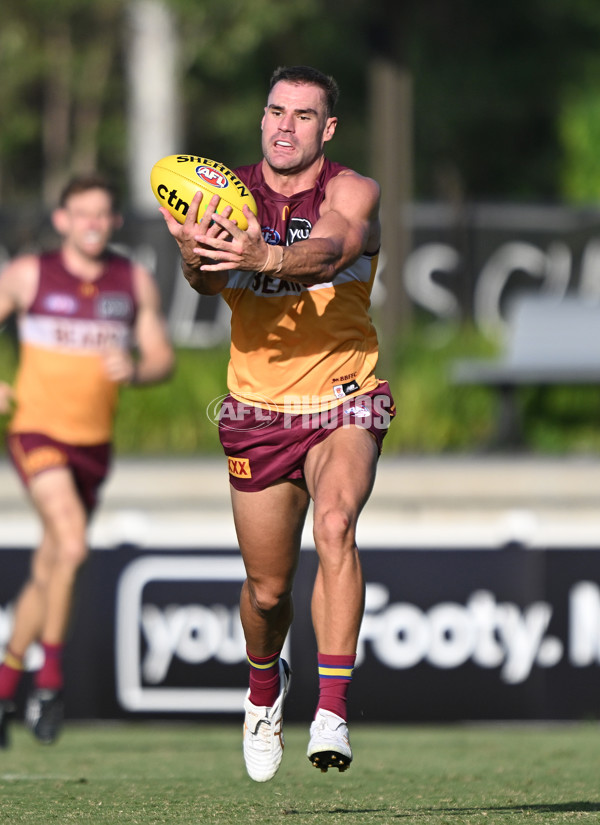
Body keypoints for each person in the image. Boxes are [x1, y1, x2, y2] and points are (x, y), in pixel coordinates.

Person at [160, 65, 395, 782]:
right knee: (267, 592)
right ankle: (265, 688)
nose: (284, 125)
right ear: (261, 119)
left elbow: (333, 245)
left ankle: (332, 709)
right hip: (257, 410)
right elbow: (204, 279)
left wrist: (269, 254)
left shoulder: (351, 190)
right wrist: (192, 248)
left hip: (345, 395)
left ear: (328, 129)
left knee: (335, 526)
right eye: (274, 111)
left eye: (302, 114)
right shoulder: (223, 194)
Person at [0, 174, 175, 747]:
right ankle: (49, 683)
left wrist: (138, 368)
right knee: (73, 544)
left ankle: (4, 685)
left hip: (94, 445)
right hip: (36, 433)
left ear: (115, 222)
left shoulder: (131, 281)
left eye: (103, 215)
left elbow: (160, 359)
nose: (93, 224)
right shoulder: (29, 275)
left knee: (53, 565)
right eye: (83, 214)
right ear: (62, 220)